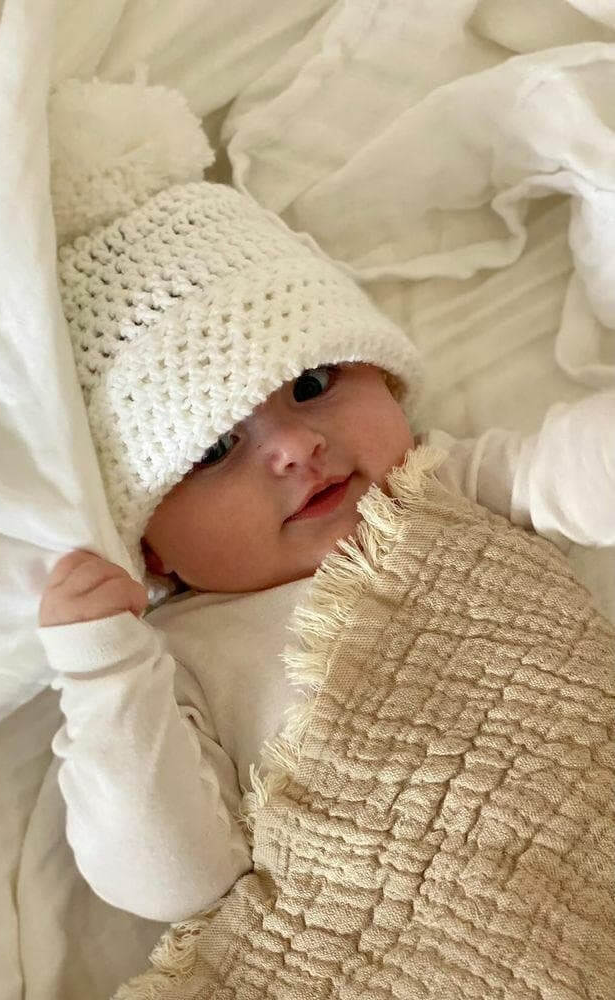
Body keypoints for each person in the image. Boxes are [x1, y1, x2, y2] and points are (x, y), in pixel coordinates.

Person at [38, 170, 615, 925]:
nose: (296, 446)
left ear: (385, 378)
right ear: (150, 551)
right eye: (214, 450)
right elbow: (175, 882)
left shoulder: (446, 485)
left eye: (311, 383)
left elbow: (579, 470)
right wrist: (104, 672)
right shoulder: (179, 662)